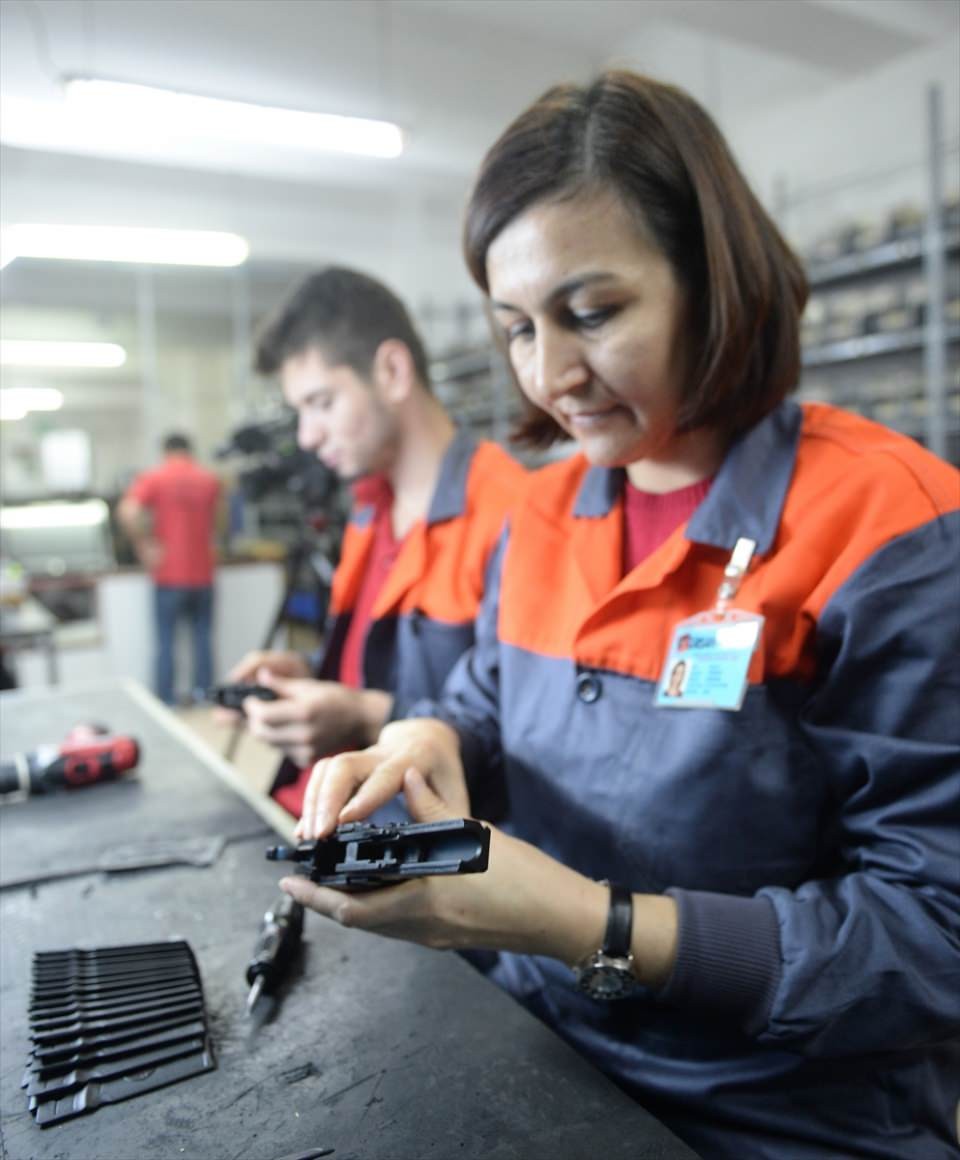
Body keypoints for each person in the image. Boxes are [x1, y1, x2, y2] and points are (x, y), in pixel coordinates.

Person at [282, 73, 960, 1160]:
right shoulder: (544, 510)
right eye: (516, 328)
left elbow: (933, 937)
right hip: (542, 1047)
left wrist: (588, 922)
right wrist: (425, 736)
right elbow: (485, 700)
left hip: (777, 1113)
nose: (551, 375)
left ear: (711, 278)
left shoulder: (888, 527)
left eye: (590, 313)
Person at [222, 267, 525, 818]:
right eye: (300, 412)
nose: (307, 436)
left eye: (322, 403)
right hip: (329, 814)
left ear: (391, 370)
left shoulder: (511, 514)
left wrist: (361, 716)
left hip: (419, 845)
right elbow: (381, 668)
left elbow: (510, 732)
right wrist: (310, 677)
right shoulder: (368, 512)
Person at [119, 433, 222, 706]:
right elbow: (220, 524)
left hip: (168, 575)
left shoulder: (155, 477)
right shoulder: (209, 479)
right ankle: (204, 697)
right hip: (203, 574)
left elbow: (128, 511)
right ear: (190, 450)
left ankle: (166, 701)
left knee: (166, 642)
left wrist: (144, 545)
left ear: (165, 451)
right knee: (203, 640)